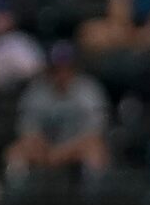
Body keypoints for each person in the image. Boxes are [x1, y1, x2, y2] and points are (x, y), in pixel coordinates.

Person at [6, 41, 109, 175]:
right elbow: (28, 130)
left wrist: (62, 152)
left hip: (76, 147)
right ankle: (20, 194)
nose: (61, 73)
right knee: (16, 152)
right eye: (56, 69)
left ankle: (93, 195)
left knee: (95, 151)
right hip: (44, 148)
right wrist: (47, 150)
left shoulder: (88, 90)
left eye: (66, 67)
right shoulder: (36, 91)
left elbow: (93, 133)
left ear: (75, 68)